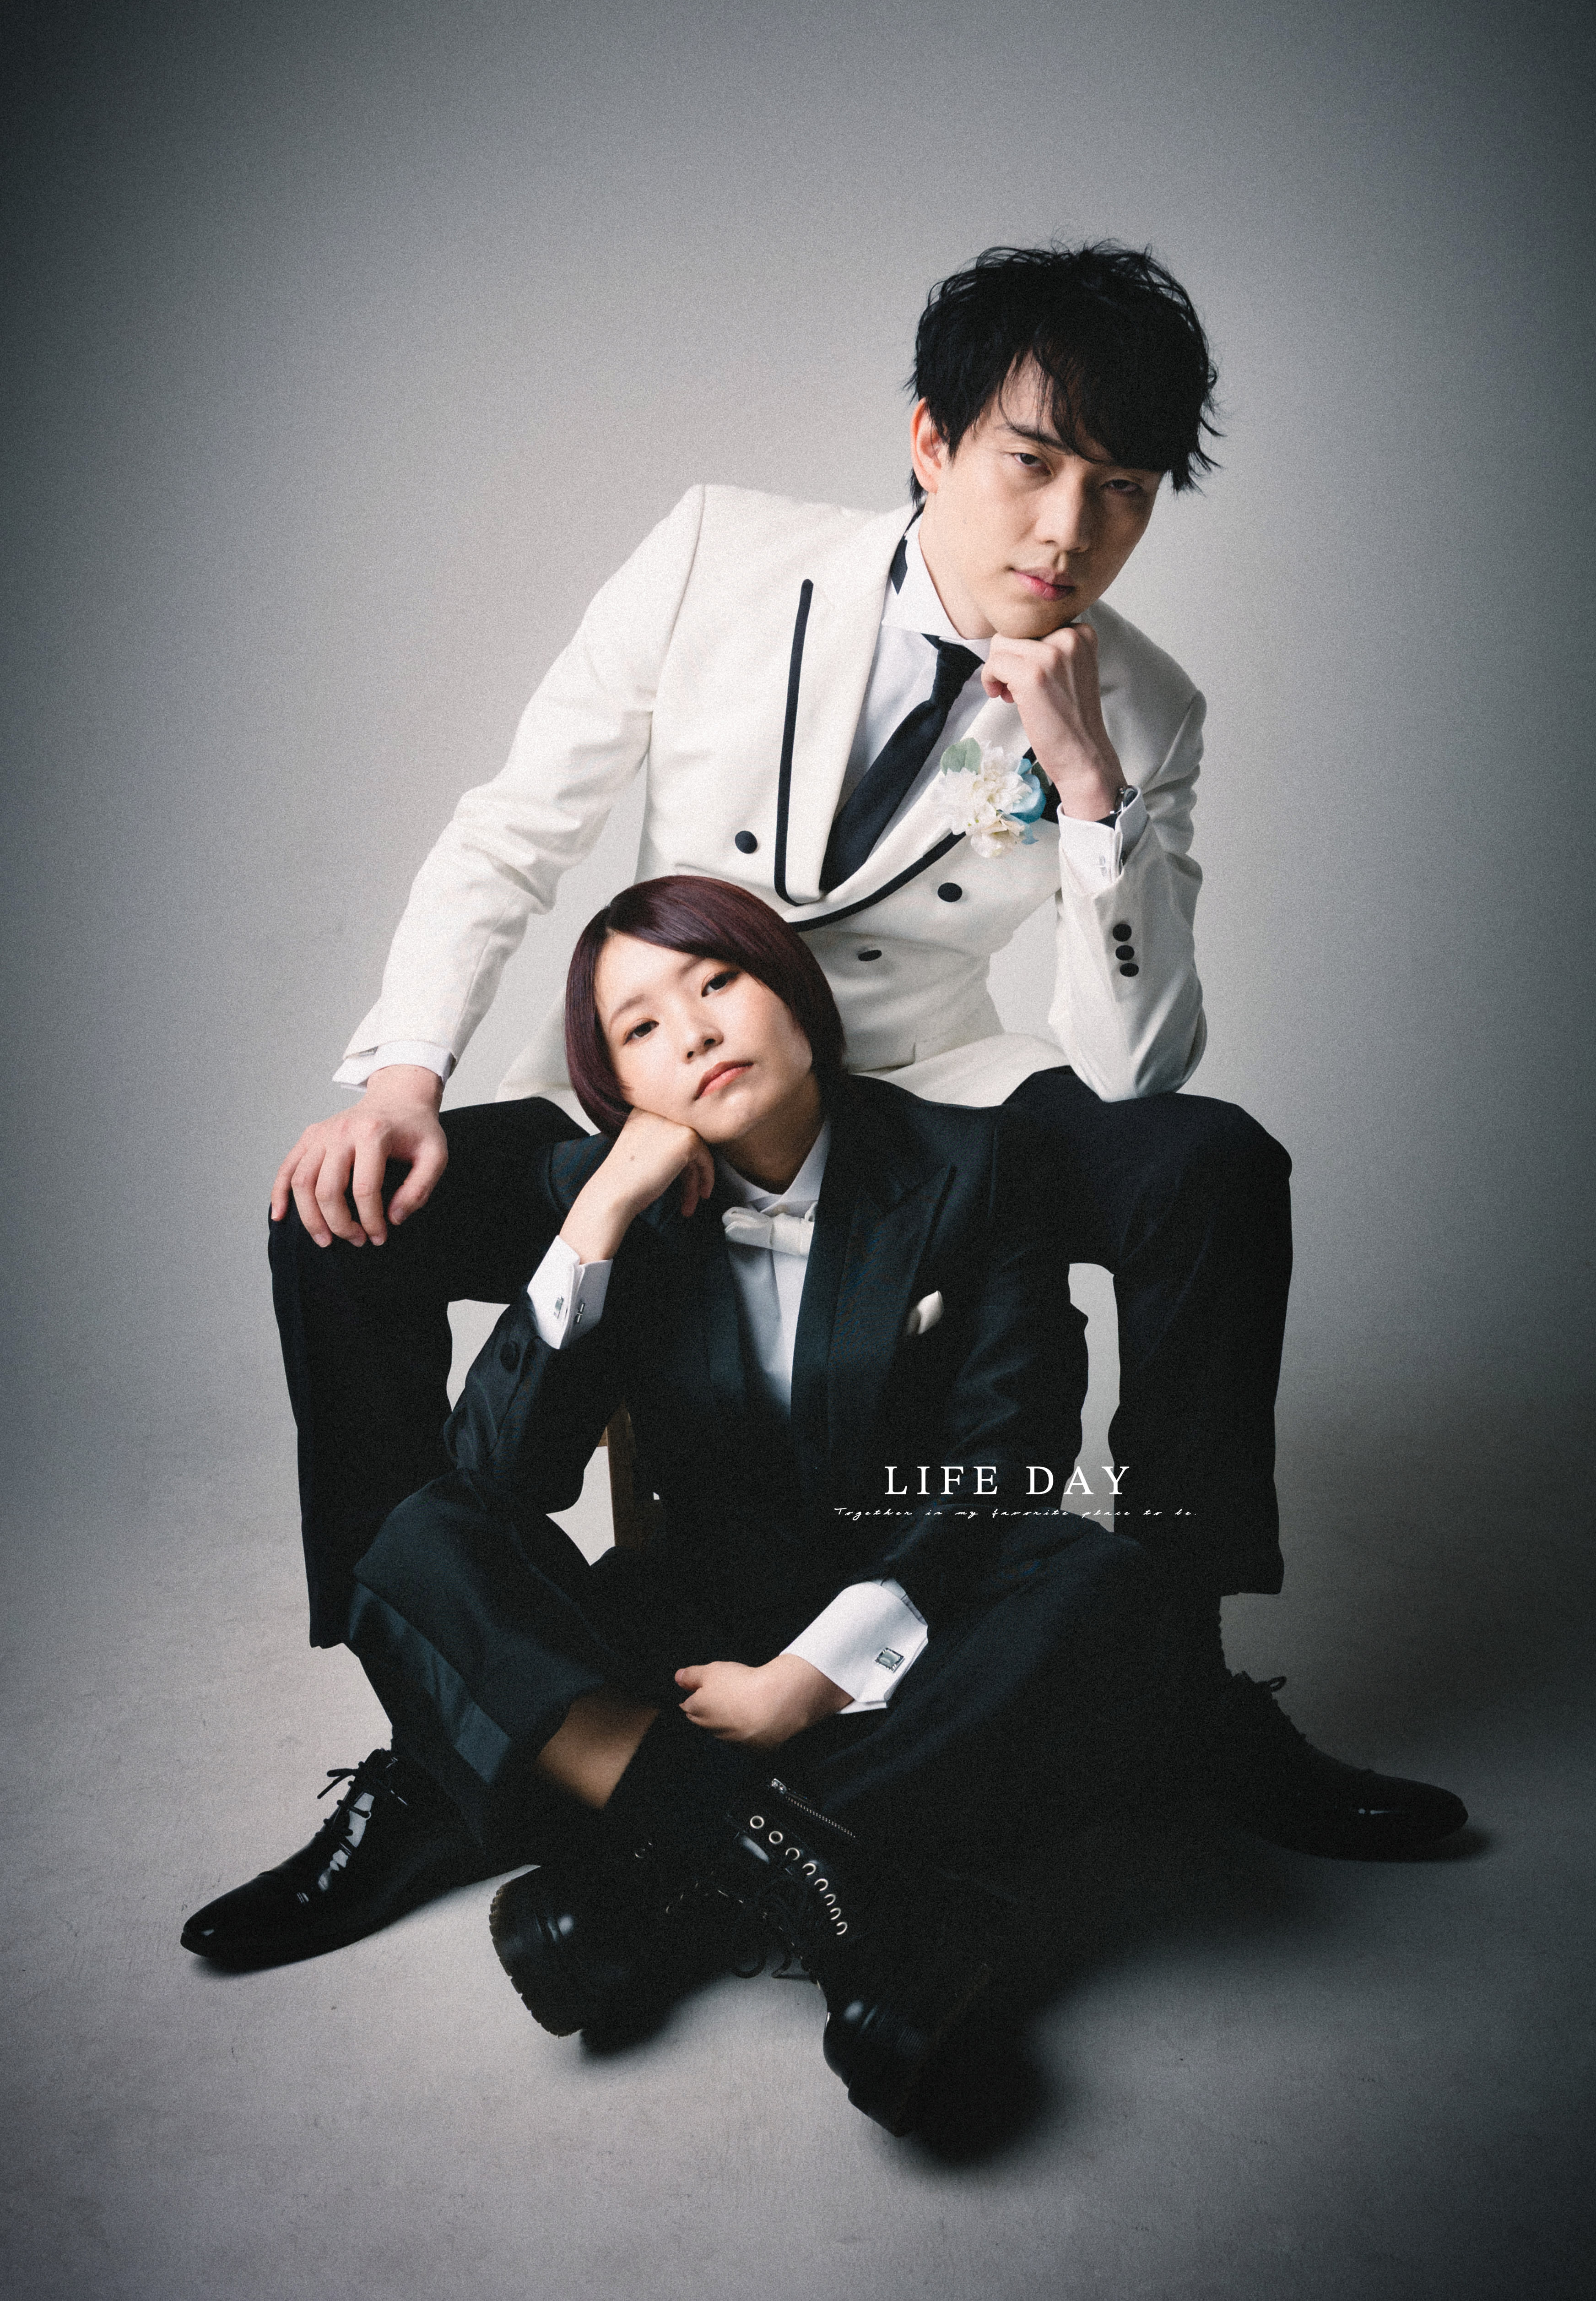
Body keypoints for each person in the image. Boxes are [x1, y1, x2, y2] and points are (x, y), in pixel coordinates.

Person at [252, 244, 1463, 1942]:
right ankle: (436, 1735)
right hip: (669, 1081)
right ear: (929, 442)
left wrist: (1090, 788)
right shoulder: (716, 556)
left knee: (1210, 1165)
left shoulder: (1148, 707)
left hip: (922, 1087)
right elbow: (518, 825)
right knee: (340, 1221)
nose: (1070, 531)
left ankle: (1181, 1676)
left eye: (1123, 492)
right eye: (1032, 464)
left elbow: (1134, 1066)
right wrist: (405, 1074)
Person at [192, 879, 1183, 2133]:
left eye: (719, 982)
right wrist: (600, 1217)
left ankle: (654, 1882)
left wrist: (811, 1680)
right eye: (642, 1027)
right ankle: (844, 1895)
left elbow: (1010, 1457)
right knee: (420, 1538)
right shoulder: (619, 1195)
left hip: (913, 1621)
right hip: (701, 1624)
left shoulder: (974, 1164)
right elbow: (495, 1479)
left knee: (1115, 1591)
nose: (697, 1032)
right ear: (616, 1082)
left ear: (796, 993)